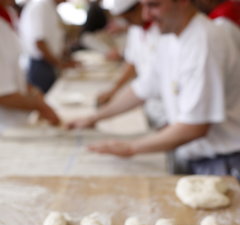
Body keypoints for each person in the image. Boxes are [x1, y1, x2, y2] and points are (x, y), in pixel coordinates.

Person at [68, 0, 240, 177]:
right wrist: (95, 117)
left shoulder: (205, 40)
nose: (145, 16)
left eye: (154, 5)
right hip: (201, 157)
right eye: (143, 6)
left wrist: (131, 147)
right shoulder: (170, 38)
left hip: (225, 162)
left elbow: (195, 126)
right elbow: (144, 87)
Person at [97, 0, 166, 129]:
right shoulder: (135, 29)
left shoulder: (164, 31)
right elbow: (132, 63)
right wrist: (113, 90)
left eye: (129, 18)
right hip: (151, 105)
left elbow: (148, 85)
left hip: (166, 109)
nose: (128, 24)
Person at [0, 0, 61, 132]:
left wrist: (33, 91)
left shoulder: (7, 15)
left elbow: (10, 72)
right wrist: (40, 106)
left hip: (15, 122)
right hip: (5, 126)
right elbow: (3, 95)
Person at [19, 0, 77, 93]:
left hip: (48, 62)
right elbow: (39, 43)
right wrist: (60, 64)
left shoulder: (50, 6)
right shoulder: (41, 5)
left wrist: (65, 59)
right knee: (45, 98)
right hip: (39, 65)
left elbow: (54, 38)